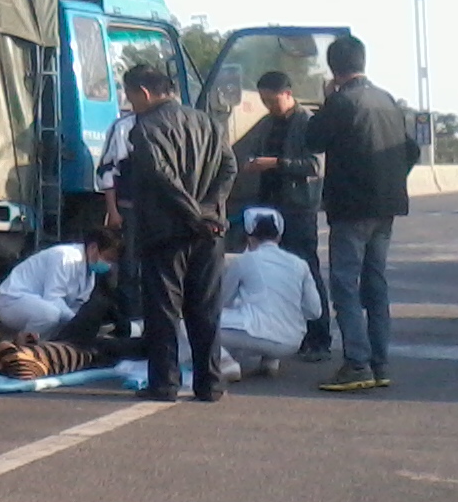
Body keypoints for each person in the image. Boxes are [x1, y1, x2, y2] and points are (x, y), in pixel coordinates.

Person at [304, 35, 420, 392]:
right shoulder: (387, 100)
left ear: (334, 68)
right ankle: (379, 363)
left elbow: (312, 139)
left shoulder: (342, 102)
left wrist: (327, 101)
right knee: (375, 284)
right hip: (386, 206)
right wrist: (389, 179)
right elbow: (411, 150)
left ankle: (357, 363)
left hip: (351, 207)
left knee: (345, 285)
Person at [123, 64, 237, 402]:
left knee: (163, 311)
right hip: (209, 232)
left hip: (166, 233)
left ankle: (164, 383)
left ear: (144, 93)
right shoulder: (208, 123)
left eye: (130, 96)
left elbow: (161, 177)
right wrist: (209, 209)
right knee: (206, 309)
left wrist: (192, 213)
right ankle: (210, 383)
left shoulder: (146, 129)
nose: (130, 104)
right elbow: (229, 167)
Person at [234, 71, 332, 360]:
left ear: (288, 94)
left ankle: (319, 338)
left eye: (273, 100)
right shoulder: (266, 124)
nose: (269, 106)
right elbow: (244, 151)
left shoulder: (308, 123)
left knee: (306, 270)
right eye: (264, 101)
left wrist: (276, 163)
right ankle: (284, 334)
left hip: (298, 208)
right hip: (269, 207)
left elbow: (315, 166)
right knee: (272, 274)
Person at [218, 207, 322, 376]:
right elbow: (314, 311)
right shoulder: (300, 264)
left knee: (188, 325)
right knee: (272, 308)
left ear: (250, 237)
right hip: (292, 341)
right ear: (278, 237)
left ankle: (225, 362)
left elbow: (222, 301)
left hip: (257, 334)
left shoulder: (244, 261)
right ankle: (270, 361)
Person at [0, 226, 125, 348]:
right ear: (93, 248)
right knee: (50, 315)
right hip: (12, 299)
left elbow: (77, 305)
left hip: (37, 303)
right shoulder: (65, 257)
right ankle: (24, 346)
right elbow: (53, 298)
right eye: (107, 258)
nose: (108, 265)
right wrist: (77, 321)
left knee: (59, 321)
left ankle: (44, 347)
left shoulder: (90, 272)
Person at [96, 109, 141, 325]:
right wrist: (113, 210)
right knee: (127, 265)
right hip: (130, 209)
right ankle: (128, 320)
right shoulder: (124, 126)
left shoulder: (177, 121)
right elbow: (108, 170)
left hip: (162, 212)